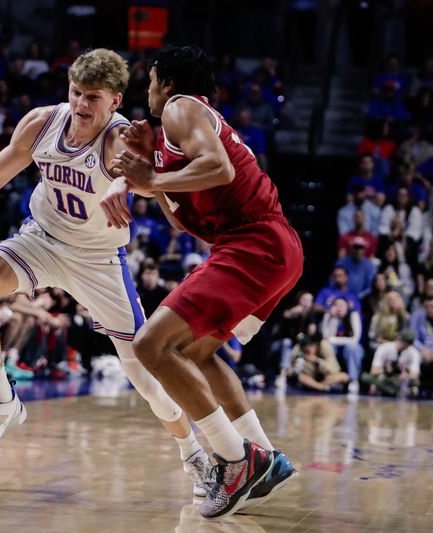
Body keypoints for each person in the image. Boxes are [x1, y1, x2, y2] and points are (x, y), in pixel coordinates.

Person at [0, 49, 214, 498]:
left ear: (115, 101)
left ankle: (193, 453)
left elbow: (135, 173)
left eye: (94, 98)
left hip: (98, 260)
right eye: (76, 93)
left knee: (147, 378)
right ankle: (2, 401)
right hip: (42, 239)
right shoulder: (42, 122)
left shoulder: (117, 137)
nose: (82, 105)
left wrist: (125, 186)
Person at [108, 45, 302, 518]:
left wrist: (150, 179)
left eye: (151, 80)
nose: (148, 90)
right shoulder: (169, 138)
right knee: (194, 355)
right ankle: (263, 455)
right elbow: (179, 220)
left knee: (152, 345)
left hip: (253, 241)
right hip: (272, 248)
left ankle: (235, 461)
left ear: (168, 83)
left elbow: (220, 168)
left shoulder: (182, 107)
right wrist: (145, 167)